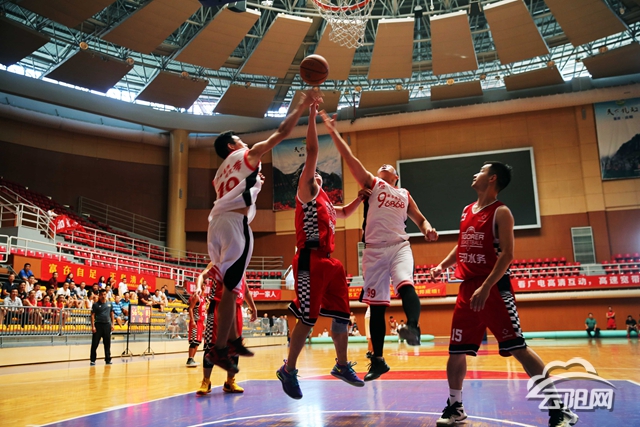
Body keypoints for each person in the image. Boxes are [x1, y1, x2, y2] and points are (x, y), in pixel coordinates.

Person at [429, 161, 578, 427]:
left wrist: (486, 287)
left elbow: (507, 255)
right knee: (456, 351)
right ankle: (455, 407)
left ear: (492, 178)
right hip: (467, 289)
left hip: (494, 288)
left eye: (481, 171)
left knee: (518, 348)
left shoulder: (502, 212)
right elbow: (462, 245)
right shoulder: (466, 211)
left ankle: (559, 409)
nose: (475, 174)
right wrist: (442, 265)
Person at [320, 110, 438, 381]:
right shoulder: (373, 185)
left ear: (396, 177)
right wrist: (333, 131)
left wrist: (428, 229)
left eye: (389, 168)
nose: (383, 167)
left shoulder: (404, 193)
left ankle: (413, 327)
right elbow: (350, 158)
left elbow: (420, 218)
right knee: (376, 306)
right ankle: (378, 360)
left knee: (405, 283)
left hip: (399, 245)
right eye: (380, 167)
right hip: (373, 250)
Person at [206, 89, 318, 373]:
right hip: (234, 225)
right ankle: (220, 349)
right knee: (231, 289)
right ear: (232, 146)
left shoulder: (219, 173)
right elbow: (281, 132)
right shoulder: (245, 154)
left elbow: (237, 188)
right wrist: (301, 106)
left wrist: (255, 181)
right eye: (239, 140)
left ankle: (233, 341)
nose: (244, 143)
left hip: (215, 224)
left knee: (231, 285)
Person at [277, 99, 366, 400]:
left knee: (342, 314)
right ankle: (288, 369)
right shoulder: (306, 191)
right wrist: (312, 114)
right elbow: (313, 151)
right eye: (310, 172)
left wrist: (361, 198)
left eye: (316, 173)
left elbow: (345, 213)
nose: (315, 173)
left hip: (330, 263)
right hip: (309, 259)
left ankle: (341, 365)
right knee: (308, 318)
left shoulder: (326, 200)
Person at [197, 263, 257, 395]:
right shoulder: (218, 262)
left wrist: (253, 307)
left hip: (236, 308)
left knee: (235, 346)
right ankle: (206, 381)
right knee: (211, 345)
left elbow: (246, 289)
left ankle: (230, 381)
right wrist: (198, 287)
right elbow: (203, 275)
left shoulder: (241, 265)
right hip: (217, 306)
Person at [90, 289, 114, 366]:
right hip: (98, 325)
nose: (103, 296)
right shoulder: (95, 305)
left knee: (107, 344)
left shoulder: (109, 304)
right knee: (95, 344)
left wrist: (112, 324)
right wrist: (93, 326)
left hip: (107, 325)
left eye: (104, 294)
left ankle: (108, 359)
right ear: (99, 295)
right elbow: (92, 315)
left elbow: (112, 314)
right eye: (102, 295)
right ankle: (92, 360)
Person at [187, 285, 208, 367]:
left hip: (200, 322)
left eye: (205, 285)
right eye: (202, 285)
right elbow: (190, 309)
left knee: (197, 342)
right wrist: (192, 320)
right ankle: (190, 359)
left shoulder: (203, 298)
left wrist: (203, 323)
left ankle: (192, 359)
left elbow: (202, 312)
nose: (204, 287)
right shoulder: (196, 297)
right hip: (195, 321)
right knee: (193, 341)